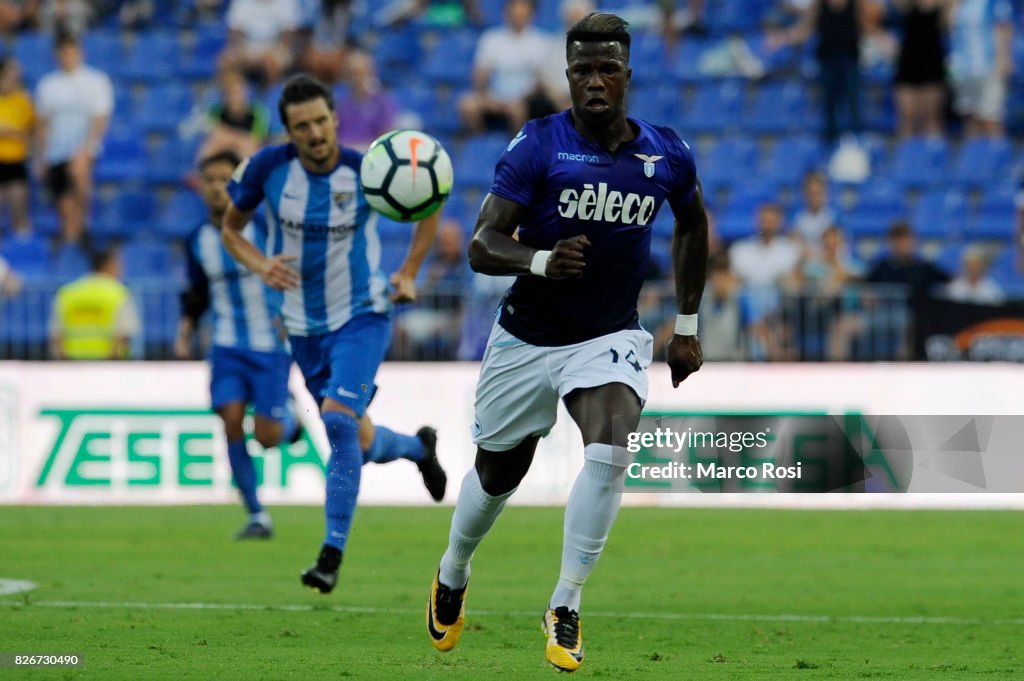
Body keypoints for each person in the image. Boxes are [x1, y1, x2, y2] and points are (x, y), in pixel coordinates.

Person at [426, 13, 708, 673]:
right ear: (567, 75)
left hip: (608, 333)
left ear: (628, 75)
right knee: (499, 472)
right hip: (526, 337)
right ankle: (453, 567)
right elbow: (481, 244)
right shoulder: (538, 145)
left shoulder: (667, 153)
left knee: (612, 447)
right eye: (583, 69)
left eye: (608, 68)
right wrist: (543, 260)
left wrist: (688, 325)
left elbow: (693, 225)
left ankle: (566, 602)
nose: (595, 81)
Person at [222, 74, 448, 594]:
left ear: (335, 119)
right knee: (360, 439)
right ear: (289, 131)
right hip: (302, 326)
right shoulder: (266, 169)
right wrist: (260, 265)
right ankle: (418, 448)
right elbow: (231, 229)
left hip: (362, 315)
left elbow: (430, 203)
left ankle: (331, 553)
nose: (316, 133)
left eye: (322, 121)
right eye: (303, 126)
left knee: (338, 421)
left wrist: (410, 271)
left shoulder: (367, 170)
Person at [175, 150, 301, 540]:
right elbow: (197, 291)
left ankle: (292, 420)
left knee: (266, 437)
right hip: (226, 344)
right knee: (229, 420)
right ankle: (257, 513)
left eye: (223, 179)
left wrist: (292, 313)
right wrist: (187, 328)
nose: (216, 188)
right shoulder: (196, 239)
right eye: (209, 180)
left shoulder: (263, 227)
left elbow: (294, 269)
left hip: (269, 344)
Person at [34, 29, 113, 244]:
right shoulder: (47, 85)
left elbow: (100, 118)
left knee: (78, 171)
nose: (67, 56)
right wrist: (40, 157)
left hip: (83, 148)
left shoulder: (96, 81)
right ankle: (71, 239)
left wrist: (88, 146)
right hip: (55, 151)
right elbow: (43, 125)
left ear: (80, 51)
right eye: (63, 52)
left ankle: (84, 225)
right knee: (63, 205)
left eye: (71, 51)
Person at [457, 0, 551, 134]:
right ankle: (482, 144)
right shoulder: (491, 38)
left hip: (521, 100)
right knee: (467, 104)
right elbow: (481, 74)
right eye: (514, 12)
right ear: (506, 13)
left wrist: (520, 99)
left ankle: (516, 149)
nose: (518, 16)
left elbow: (539, 82)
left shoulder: (541, 42)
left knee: (518, 110)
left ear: (531, 15)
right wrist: (487, 97)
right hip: (492, 96)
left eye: (523, 13)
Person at [49, 246, 139, 359]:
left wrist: (64, 362)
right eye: (118, 265)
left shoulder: (66, 293)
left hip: (72, 365)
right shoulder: (120, 293)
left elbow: (56, 335)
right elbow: (124, 334)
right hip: (108, 365)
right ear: (107, 265)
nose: (122, 269)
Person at [948, 0, 1014, 137]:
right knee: (970, 116)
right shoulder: (960, 3)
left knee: (990, 116)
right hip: (964, 68)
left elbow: (1004, 28)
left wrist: (1003, 59)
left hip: (989, 66)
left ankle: (996, 155)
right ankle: (975, 156)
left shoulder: (993, 2)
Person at [892, 0, 949, 138]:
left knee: (933, 118)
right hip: (908, 61)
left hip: (933, 61)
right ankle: (906, 157)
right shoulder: (908, 5)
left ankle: (933, 155)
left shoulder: (943, 5)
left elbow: (948, 24)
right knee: (907, 117)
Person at [197, 67, 272, 162]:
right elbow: (212, 134)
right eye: (229, 92)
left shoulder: (259, 112)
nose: (234, 97)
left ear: (246, 91)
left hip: (247, 154)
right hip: (222, 152)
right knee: (210, 145)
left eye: (237, 91)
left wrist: (226, 136)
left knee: (247, 147)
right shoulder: (216, 111)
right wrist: (237, 140)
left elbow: (255, 140)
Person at [334, 50, 398, 151]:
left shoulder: (383, 102)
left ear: (370, 73)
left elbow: (385, 138)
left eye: (360, 73)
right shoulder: (339, 102)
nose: (355, 78)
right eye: (351, 73)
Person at [0, 57, 33, 237]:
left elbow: (30, 130)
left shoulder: (23, 100)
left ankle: (20, 249)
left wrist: (9, 131)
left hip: (16, 162)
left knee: (18, 212)